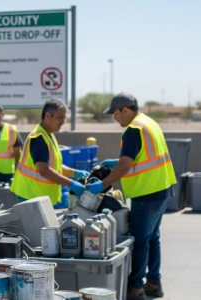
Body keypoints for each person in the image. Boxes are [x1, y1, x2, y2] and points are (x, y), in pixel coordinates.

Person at [86, 92, 176, 300]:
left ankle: (135, 288)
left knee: (140, 241)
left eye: (115, 113)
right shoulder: (149, 123)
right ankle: (154, 283)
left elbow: (125, 166)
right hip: (162, 189)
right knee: (153, 239)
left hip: (147, 193)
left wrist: (103, 184)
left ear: (125, 110)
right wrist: (115, 162)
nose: (115, 117)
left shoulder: (133, 130)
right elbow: (140, 156)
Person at [10, 99, 89, 205]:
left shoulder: (48, 135)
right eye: (59, 117)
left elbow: (54, 166)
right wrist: (71, 183)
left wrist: (75, 173)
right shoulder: (39, 138)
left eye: (64, 118)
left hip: (39, 196)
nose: (63, 122)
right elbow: (44, 170)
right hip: (30, 197)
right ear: (48, 116)